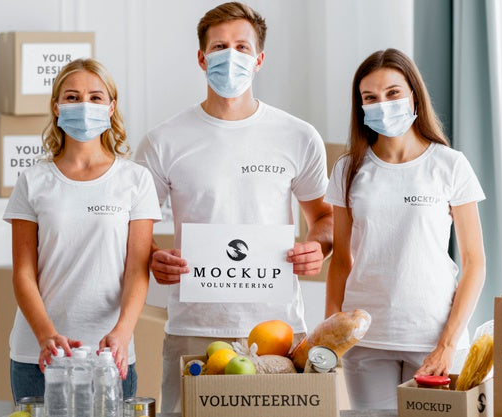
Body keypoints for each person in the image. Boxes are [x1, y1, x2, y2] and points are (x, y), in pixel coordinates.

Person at [134, 2, 333, 412]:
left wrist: (319, 248)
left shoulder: (298, 136)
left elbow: (325, 219)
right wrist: (155, 257)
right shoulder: (163, 141)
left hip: (279, 333)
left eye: (242, 47)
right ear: (201, 58)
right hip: (193, 329)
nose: (231, 56)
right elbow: (133, 227)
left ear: (259, 60)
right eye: (220, 46)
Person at [324, 48, 486, 410]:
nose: (382, 103)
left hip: (432, 338)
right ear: (361, 106)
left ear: (413, 94)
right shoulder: (349, 169)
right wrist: (330, 334)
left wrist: (447, 343)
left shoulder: (449, 165)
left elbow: (475, 262)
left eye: (392, 93)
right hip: (364, 339)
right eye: (371, 97)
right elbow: (340, 261)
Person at [3, 58, 162, 403]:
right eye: (73, 97)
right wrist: (46, 336)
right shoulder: (33, 180)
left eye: (95, 97)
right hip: (39, 356)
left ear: (111, 107)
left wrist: (122, 332)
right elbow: (23, 273)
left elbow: (137, 270)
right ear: (57, 107)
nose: (84, 105)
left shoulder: (135, 180)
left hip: (109, 356)